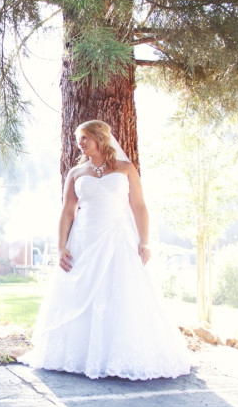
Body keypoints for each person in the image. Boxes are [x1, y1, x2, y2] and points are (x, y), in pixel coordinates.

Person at [19, 120, 190, 380]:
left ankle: (114, 355)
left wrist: (144, 241)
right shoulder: (76, 173)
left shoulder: (125, 168)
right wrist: (61, 246)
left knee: (120, 292)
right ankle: (80, 355)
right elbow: (67, 212)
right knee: (81, 293)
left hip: (118, 237)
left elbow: (139, 206)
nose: (80, 142)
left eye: (85, 137)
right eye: (79, 138)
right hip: (84, 239)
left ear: (100, 138)